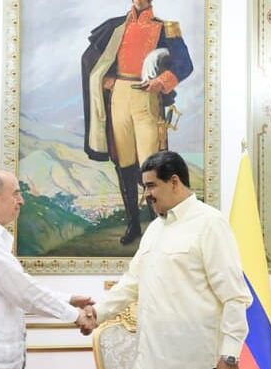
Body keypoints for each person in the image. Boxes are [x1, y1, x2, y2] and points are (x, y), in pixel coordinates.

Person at [88, 151, 253, 369]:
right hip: (150, 365)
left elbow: (235, 297)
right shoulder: (155, 229)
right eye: (145, 187)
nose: (146, 194)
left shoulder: (211, 224)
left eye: (151, 186)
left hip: (197, 366)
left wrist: (230, 355)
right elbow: (131, 283)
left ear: (174, 181)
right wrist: (95, 314)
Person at [0, 168, 96, 369]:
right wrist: (75, 315)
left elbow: (18, 287)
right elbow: (24, 292)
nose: (21, 200)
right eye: (16, 193)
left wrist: (70, 299)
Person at [82, 0, 194, 245]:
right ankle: (133, 225)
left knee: (151, 165)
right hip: (119, 97)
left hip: (147, 97)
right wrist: (106, 78)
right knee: (124, 163)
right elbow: (95, 60)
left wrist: (162, 82)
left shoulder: (167, 28)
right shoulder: (115, 27)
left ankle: (157, 227)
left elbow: (185, 65)